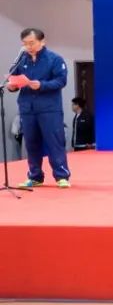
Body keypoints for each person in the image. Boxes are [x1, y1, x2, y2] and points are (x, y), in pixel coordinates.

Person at [5, 28, 71, 187]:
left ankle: (61, 176)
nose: (28, 47)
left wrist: (42, 85)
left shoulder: (54, 59)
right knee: (31, 143)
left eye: (31, 43)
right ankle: (35, 176)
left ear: (42, 41)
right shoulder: (22, 59)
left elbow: (61, 81)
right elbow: (13, 78)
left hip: (49, 108)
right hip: (27, 108)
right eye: (25, 43)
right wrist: (12, 86)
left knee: (54, 142)